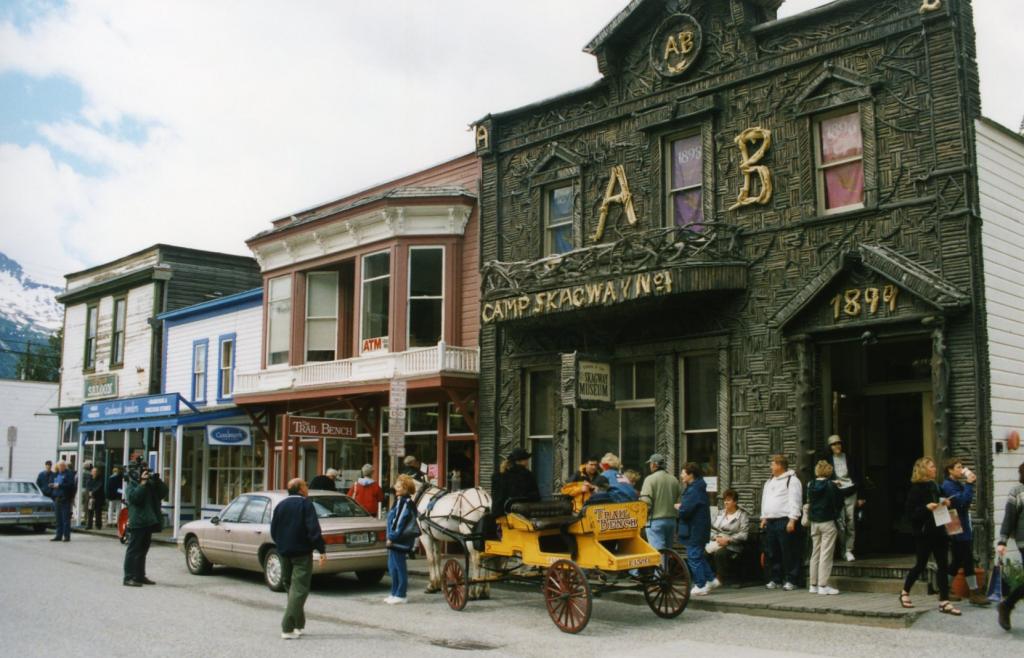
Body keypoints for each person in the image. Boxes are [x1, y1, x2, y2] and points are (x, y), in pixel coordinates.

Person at [900, 457, 959, 615]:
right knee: (920, 565)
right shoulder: (916, 489)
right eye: (932, 466)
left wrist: (945, 503)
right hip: (925, 533)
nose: (935, 469)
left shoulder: (935, 486)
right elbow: (910, 514)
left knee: (943, 565)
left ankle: (944, 601)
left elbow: (941, 502)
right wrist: (926, 508)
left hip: (939, 530)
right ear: (924, 470)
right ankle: (905, 592)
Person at [270, 478, 326, 638]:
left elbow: (274, 529)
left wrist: (281, 544)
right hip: (301, 552)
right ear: (300, 489)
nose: (307, 487)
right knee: (299, 589)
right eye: (305, 485)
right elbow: (313, 529)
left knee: (291, 588)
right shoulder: (305, 504)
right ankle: (287, 627)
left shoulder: (280, 505)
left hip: (284, 551)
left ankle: (298, 624)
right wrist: (321, 549)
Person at [940, 458, 988, 606]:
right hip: (955, 523)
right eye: (958, 467)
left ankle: (944, 590)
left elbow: (964, 501)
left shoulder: (955, 484)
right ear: (950, 470)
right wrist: (969, 484)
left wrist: (967, 486)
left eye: (962, 467)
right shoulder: (948, 485)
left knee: (958, 559)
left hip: (959, 522)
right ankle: (974, 593)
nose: (961, 470)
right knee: (966, 557)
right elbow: (962, 502)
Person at [759, 454, 802, 591]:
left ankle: (791, 579)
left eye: (772, 464)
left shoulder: (792, 480)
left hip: (784, 520)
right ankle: (776, 579)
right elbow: (765, 500)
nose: (771, 466)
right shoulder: (769, 481)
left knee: (788, 551)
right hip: (770, 521)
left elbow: (795, 500)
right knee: (772, 552)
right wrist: (764, 517)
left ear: (779, 465)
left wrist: (793, 519)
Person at [123, 465, 168, 586]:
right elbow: (135, 498)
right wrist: (142, 484)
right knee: (133, 550)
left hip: (148, 521)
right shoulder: (131, 486)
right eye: (143, 473)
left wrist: (158, 481)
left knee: (143, 550)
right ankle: (128, 577)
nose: (145, 474)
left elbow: (163, 493)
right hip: (138, 522)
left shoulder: (149, 485)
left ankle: (139, 575)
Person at [676, 462, 717, 596]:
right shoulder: (698, 487)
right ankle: (710, 579)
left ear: (690, 475)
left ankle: (701, 584)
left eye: (683, 473)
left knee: (693, 556)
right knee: (698, 555)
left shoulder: (693, 490)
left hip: (694, 528)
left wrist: (679, 508)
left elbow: (685, 511)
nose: (682, 475)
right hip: (699, 526)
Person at [825, 434, 865, 561]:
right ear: (830, 447)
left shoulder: (850, 458)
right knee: (840, 523)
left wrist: (861, 496)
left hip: (851, 491)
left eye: (839, 443)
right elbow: (824, 478)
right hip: (837, 493)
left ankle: (849, 550)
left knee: (851, 521)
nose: (837, 446)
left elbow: (859, 476)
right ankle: (842, 550)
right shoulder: (827, 460)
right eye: (834, 444)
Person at [807, 460, 843, 595]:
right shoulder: (831, 485)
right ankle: (823, 585)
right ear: (829, 471)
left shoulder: (811, 485)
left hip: (814, 522)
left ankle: (813, 585)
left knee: (814, 553)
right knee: (826, 554)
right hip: (827, 521)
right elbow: (838, 503)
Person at [996, 461, 1024, 630]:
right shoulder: (1017, 492)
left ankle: (1006, 605)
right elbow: (1009, 517)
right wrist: (1002, 541)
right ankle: (1006, 605)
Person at [385, 474, 420, 605]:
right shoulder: (399, 501)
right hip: (395, 540)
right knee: (392, 567)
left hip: (399, 540)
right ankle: (394, 593)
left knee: (399, 568)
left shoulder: (404, 502)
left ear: (405, 489)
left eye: (399, 486)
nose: (395, 487)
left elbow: (399, 522)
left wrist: (392, 537)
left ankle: (401, 594)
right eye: (396, 485)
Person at [639, 453, 680, 553]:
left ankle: (660, 569)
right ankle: (666, 568)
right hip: (671, 521)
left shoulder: (649, 479)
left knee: (658, 553)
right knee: (668, 552)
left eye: (650, 464)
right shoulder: (674, 479)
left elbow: (646, 501)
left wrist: (642, 516)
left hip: (655, 521)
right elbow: (679, 501)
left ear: (653, 465)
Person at [708, 489, 750, 586]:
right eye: (725, 500)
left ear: (735, 502)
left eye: (729, 500)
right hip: (717, 541)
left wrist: (728, 540)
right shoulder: (720, 513)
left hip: (733, 545)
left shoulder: (742, 515)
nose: (726, 502)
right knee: (703, 552)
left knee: (720, 554)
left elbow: (744, 535)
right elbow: (711, 529)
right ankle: (709, 577)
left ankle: (719, 579)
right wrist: (716, 538)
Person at [491, 447, 540, 516]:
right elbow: (536, 495)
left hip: (509, 511)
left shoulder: (506, 475)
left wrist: (501, 472)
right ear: (517, 461)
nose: (527, 461)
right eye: (525, 459)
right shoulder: (528, 474)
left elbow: (499, 493)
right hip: (529, 509)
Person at [49, 461, 76, 542]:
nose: (60, 467)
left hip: (65, 498)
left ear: (65, 466)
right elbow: (54, 483)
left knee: (65, 519)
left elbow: (71, 485)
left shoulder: (69, 474)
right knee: (58, 519)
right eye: (59, 466)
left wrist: (60, 485)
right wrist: (52, 485)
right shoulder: (56, 474)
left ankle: (66, 536)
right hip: (57, 498)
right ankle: (58, 535)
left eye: (62, 466)